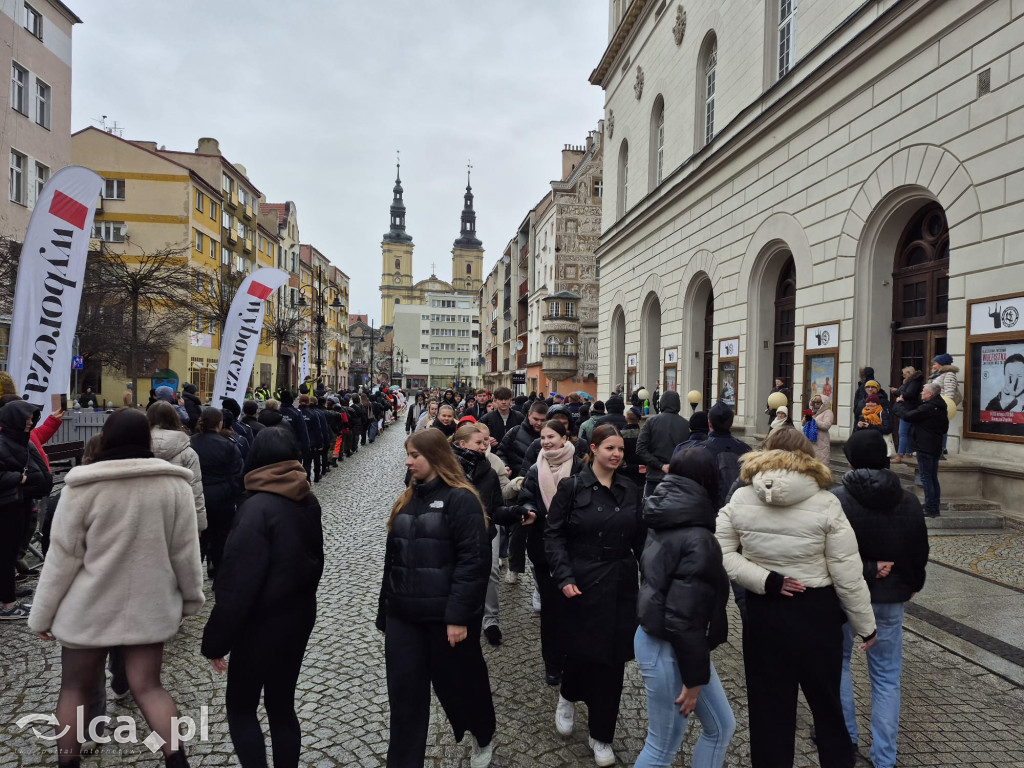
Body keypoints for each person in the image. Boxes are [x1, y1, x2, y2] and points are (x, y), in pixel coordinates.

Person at [28, 408, 202, 768]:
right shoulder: (174, 486)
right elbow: (185, 552)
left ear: (105, 438)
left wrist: (41, 614)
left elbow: (62, 560)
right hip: (149, 604)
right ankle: (176, 760)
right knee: (149, 686)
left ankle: (68, 763)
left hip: (89, 606)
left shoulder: (83, 487)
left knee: (74, 688)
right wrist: (190, 598)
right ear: (146, 440)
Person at [715, 428, 876, 768]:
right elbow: (847, 572)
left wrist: (765, 580)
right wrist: (867, 626)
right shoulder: (827, 501)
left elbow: (721, 553)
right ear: (807, 457)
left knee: (768, 711)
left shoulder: (742, 498)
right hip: (816, 613)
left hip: (764, 613)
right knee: (828, 709)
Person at [202, 427, 324, 768]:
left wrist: (215, 641)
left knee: (241, 709)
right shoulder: (307, 500)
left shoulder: (257, 508)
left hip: (259, 627)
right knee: (282, 706)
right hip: (297, 619)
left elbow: (237, 585)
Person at [377, 429, 495, 768]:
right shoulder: (407, 498)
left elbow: (474, 561)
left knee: (461, 687)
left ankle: (481, 735)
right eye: (408, 454)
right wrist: (385, 613)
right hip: (404, 617)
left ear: (436, 457)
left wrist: (458, 616)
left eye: (415, 455)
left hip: (445, 619)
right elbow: (393, 561)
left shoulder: (462, 499)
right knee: (405, 700)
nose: (408, 461)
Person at [545, 425, 645, 767]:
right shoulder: (572, 487)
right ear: (594, 449)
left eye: (620, 449)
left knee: (613, 661)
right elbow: (554, 535)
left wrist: (655, 578)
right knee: (583, 653)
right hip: (581, 580)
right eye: (610, 448)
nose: (617, 454)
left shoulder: (631, 488)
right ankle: (568, 695)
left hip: (619, 582)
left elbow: (641, 540)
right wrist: (564, 576)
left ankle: (602, 734)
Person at [832, 430, 929, 768]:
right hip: (889, 598)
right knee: (887, 678)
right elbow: (919, 550)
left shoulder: (837, 500)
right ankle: (884, 758)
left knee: (839, 665)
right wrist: (913, 583)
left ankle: (846, 741)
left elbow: (827, 553)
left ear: (852, 460)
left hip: (844, 595)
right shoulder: (908, 500)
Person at [635, 448, 734, 768]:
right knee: (662, 746)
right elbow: (683, 617)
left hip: (674, 642)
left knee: (721, 726)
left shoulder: (669, 508)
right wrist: (693, 681)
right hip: (669, 644)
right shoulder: (697, 534)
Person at [518, 419, 585, 685]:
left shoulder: (579, 466)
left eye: (551, 437)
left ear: (564, 437)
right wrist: (529, 509)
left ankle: (573, 656)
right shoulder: (536, 467)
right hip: (543, 545)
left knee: (572, 606)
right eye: (543, 437)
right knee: (551, 610)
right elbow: (526, 496)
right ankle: (553, 662)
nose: (546, 442)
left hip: (573, 548)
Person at [451, 424, 528, 648]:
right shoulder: (446, 468)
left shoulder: (489, 469)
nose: (485, 446)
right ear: (462, 444)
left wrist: (516, 512)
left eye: (485, 442)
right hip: (453, 532)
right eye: (479, 442)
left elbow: (496, 509)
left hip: (485, 530)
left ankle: (491, 620)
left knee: (491, 570)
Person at [0, 401, 53, 619]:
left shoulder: (19, 440)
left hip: (20, 503)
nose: (31, 421)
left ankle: (7, 597)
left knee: (9, 554)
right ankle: (8, 605)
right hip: (7, 507)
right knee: (5, 555)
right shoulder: (4, 442)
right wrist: (18, 478)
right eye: (27, 418)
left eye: (33, 417)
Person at [191, 407, 244, 578]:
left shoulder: (191, 443)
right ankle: (220, 578)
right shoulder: (228, 445)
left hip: (197, 498)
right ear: (220, 423)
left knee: (198, 541)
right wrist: (231, 495)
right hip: (222, 499)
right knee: (221, 540)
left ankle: (194, 577)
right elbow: (237, 475)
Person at [147, 401, 207, 534]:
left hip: (145, 514)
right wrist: (199, 524)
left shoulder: (138, 447)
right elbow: (195, 489)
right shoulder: (188, 453)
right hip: (178, 515)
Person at [892, 382, 948, 518]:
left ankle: (931, 508)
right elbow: (944, 428)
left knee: (926, 478)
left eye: (923, 391)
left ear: (930, 394)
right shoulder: (940, 406)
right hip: (935, 446)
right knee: (933, 477)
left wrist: (898, 403)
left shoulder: (928, 408)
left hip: (925, 446)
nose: (921, 393)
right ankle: (933, 505)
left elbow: (908, 416)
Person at [890, 367, 923, 461]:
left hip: (907, 410)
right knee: (907, 433)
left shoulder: (913, 382)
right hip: (909, 409)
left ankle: (899, 455)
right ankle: (908, 453)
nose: (903, 376)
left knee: (903, 433)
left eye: (904, 374)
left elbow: (908, 394)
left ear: (909, 373)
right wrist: (898, 393)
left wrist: (897, 392)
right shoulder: (913, 381)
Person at [806, 394, 834, 466]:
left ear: (823, 404)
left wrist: (814, 421)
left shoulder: (828, 412)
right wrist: (806, 418)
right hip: (810, 440)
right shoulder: (812, 411)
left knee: (821, 462)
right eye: (814, 403)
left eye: (818, 403)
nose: (815, 405)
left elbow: (827, 425)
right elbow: (804, 424)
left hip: (821, 441)